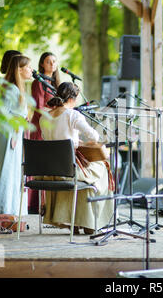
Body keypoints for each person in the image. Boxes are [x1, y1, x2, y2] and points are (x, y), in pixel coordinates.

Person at [39, 82, 113, 235]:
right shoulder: (72, 115)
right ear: (73, 98)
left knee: (85, 174)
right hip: (68, 169)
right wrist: (82, 142)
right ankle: (91, 221)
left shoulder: (44, 117)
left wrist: (75, 141)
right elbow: (94, 136)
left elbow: (53, 141)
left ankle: (76, 222)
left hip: (50, 171)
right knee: (101, 168)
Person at [0, 55, 32, 216]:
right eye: (28, 67)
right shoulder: (11, 89)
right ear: (19, 69)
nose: (31, 70)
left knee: (12, 172)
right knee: (6, 171)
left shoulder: (17, 89)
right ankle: (2, 210)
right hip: (8, 134)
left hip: (14, 134)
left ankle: (11, 210)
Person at [28, 52, 61, 214]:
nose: (52, 64)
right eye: (49, 61)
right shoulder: (38, 83)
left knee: (48, 167)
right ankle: (34, 205)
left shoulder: (56, 84)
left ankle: (48, 204)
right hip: (40, 127)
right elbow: (38, 107)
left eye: (54, 61)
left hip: (52, 128)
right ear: (42, 64)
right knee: (39, 167)